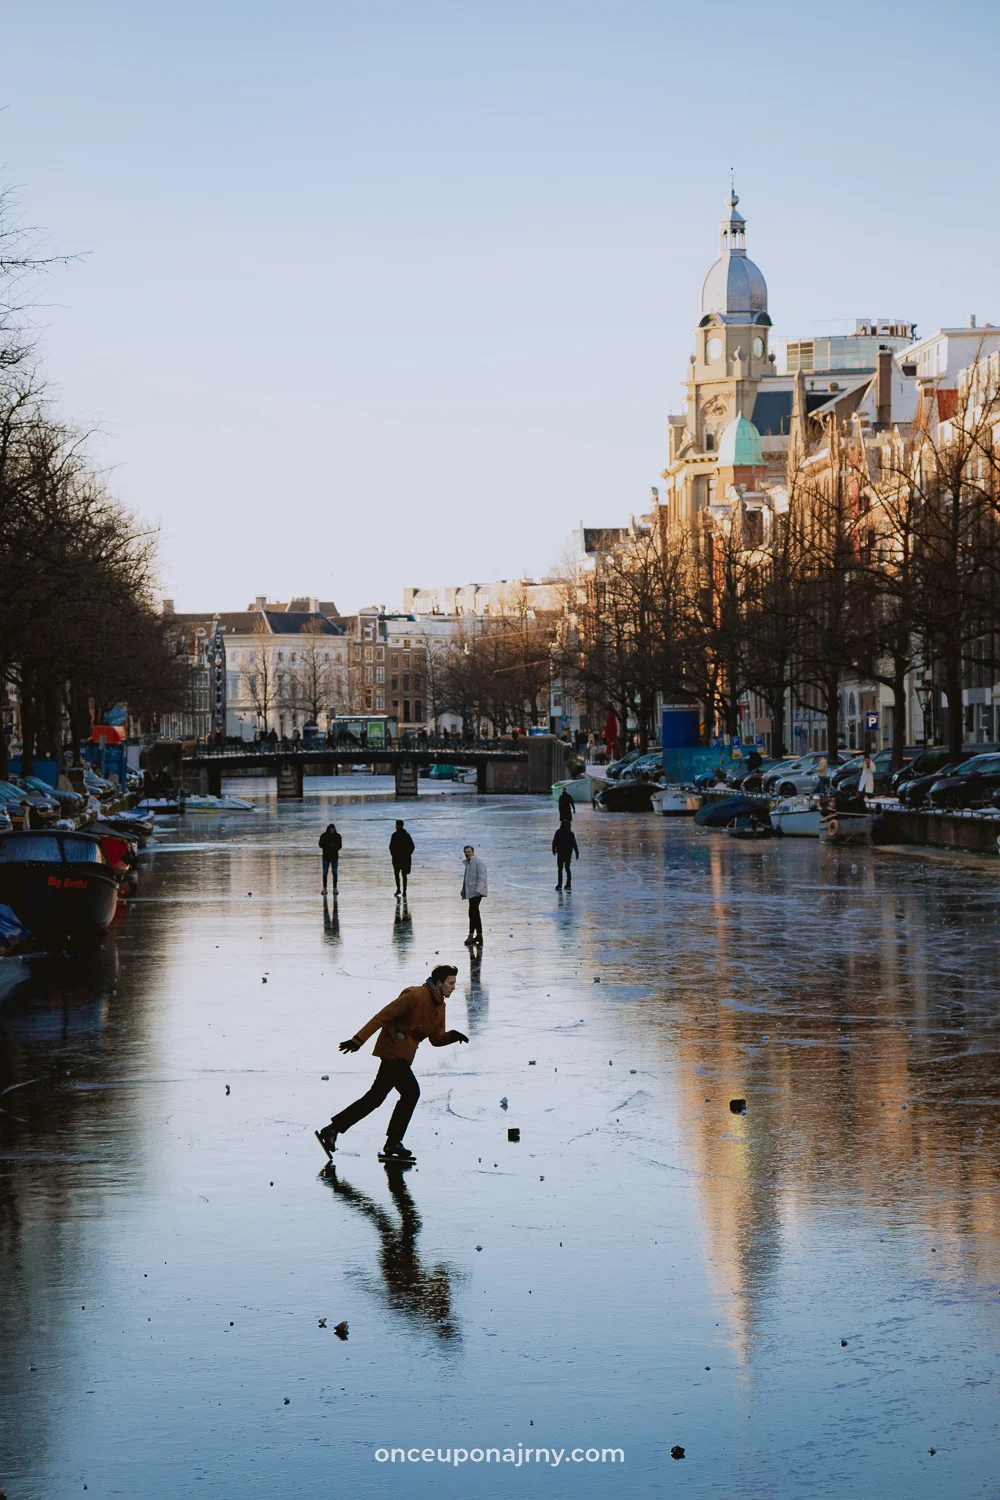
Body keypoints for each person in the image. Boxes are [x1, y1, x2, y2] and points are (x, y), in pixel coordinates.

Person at [315, 965, 468, 1163]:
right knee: (411, 1092)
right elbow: (382, 1017)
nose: (453, 987)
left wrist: (453, 1036)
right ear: (439, 983)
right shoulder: (414, 995)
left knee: (375, 1097)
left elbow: (435, 1039)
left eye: (454, 983)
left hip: (404, 1055)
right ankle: (393, 1142)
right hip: (392, 1050)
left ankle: (332, 1130)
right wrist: (357, 1040)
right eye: (451, 983)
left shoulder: (440, 1007)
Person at [461, 844, 487, 946]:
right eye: (466, 852)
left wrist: (478, 891)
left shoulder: (478, 863)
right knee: (474, 912)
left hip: (476, 893)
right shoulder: (468, 864)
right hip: (471, 892)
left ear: (473, 852)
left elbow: (482, 878)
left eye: (469, 852)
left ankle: (471, 935)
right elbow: (466, 880)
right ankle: (479, 935)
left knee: (472, 912)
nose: (467, 854)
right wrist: (463, 890)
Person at [389, 819, 415, 897]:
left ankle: (399, 889)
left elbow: (391, 847)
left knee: (397, 874)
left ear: (398, 825)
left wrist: (393, 855)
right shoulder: (406, 835)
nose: (395, 826)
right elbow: (412, 847)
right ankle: (404, 891)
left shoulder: (395, 835)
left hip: (397, 858)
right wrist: (407, 855)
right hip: (404, 858)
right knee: (404, 875)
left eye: (396, 825)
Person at [552, 821, 580, 890]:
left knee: (560, 869)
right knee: (567, 868)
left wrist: (553, 849)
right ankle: (568, 883)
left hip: (560, 852)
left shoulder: (558, 832)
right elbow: (574, 844)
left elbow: (554, 841)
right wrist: (577, 852)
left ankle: (559, 884)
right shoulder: (570, 834)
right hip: (568, 853)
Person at [319, 823, 342, 894]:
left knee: (335, 873)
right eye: (331, 828)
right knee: (325, 873)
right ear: (328, 829)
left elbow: (340, 846)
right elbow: (320, 844)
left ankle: (335, 888)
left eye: (333, 828)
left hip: (334, 857)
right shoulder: (324, 835)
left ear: (335, 829)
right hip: (326, 857)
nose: (332, 830)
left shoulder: (338, 836)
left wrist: (334, 847)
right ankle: (324, 888)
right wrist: (328, 846)